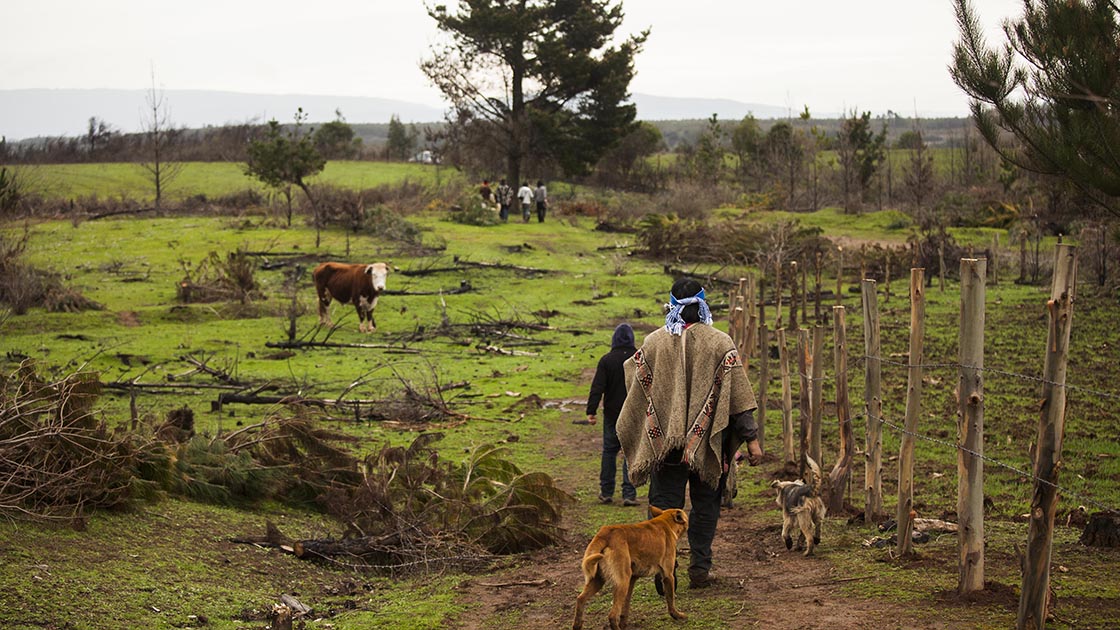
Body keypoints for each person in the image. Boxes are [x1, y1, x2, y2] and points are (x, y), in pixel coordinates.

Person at [617, 278, 762, 589]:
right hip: (709, 446)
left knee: (663, 509)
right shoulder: (720, 343)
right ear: (703, 304)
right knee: (706, 505)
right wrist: (752, 441)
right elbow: (739, 400)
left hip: (664, 447)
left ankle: (662, 570)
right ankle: (700, 568)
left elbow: (635, 381)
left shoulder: (654, 342)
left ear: (672, 306)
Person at [586, 323, 639, 507]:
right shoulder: (638, 359)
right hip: (633, 414)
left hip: (612, 414)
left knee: (609, 451)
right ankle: (629, 494)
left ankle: (606, 491)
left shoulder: (606, 360)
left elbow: (597, 387)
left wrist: (591, 411)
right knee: (630, 453)